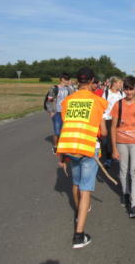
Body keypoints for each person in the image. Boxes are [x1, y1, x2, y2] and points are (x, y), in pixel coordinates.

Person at [56, 67, 108, 249]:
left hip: (69, 147)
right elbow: (103, 131)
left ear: (77, 81)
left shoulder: (68, 101)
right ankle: (79, 234)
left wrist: (61, 156)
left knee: (76, 184)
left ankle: (80, 212)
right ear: (93, 80)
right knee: (86, 189)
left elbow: (65, 127)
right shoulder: (98, 101)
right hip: (87, 148)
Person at [111, 76, 135, 218]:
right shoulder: (117, 105)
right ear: (123, 89)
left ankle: (134, 204)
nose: (128, 92)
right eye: (126, 89)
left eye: (131, 89)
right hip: (121, 142)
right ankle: (126, 193)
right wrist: (114, 148)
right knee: (123, 170)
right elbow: (113, 127)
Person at [45, 73, 72, 153]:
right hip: (56, 113)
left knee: (65, 130)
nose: (68, 81)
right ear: (62, 79)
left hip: (66, 113)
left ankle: (63, 146)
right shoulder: (54, 88)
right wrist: (51, 112)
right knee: (57, 131)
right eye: (67, 79)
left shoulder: (69, 89)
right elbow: (49, 101)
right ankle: (55, 146)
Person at [101, 76, 124, 168]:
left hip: (119, 120)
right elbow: (102, 107)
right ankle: (108, 158)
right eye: (119, 83)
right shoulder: (106, 93)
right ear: (114, 83)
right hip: (108, 119)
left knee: (118, 139)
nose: (121, 85)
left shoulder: (122, 93)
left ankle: (116, 156)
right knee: (107, 141)